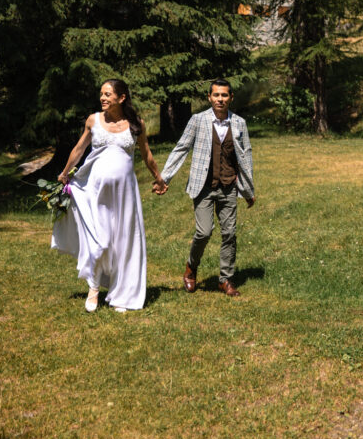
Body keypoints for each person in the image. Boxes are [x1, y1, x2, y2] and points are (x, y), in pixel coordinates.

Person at [51, 79, 166, 312]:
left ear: (121, 98)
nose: (102, 98)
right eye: (101, 94)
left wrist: (158, 177)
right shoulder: (94, 120)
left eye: (107, 94)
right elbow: (79, 149)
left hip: (125, 195)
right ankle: (93, 288)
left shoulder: (136, 124)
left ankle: (123, 294)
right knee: (99, 238)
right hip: (96, 191)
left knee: (124, 240)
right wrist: (64, 174)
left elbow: (147, 154)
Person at [155, 78, 255, 297]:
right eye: (216, 95)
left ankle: (225, 280)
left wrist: (248, 191)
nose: (220, 99)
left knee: (229, 233)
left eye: (224, 95)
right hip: (203, 187)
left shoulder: (239, 123)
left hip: (229, 186)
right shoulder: (198, 120)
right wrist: (165, 178)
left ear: (231, 98)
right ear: (209, 97)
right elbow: (181, 149)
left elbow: (245, 158)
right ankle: (191, 267)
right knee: (204, 231)